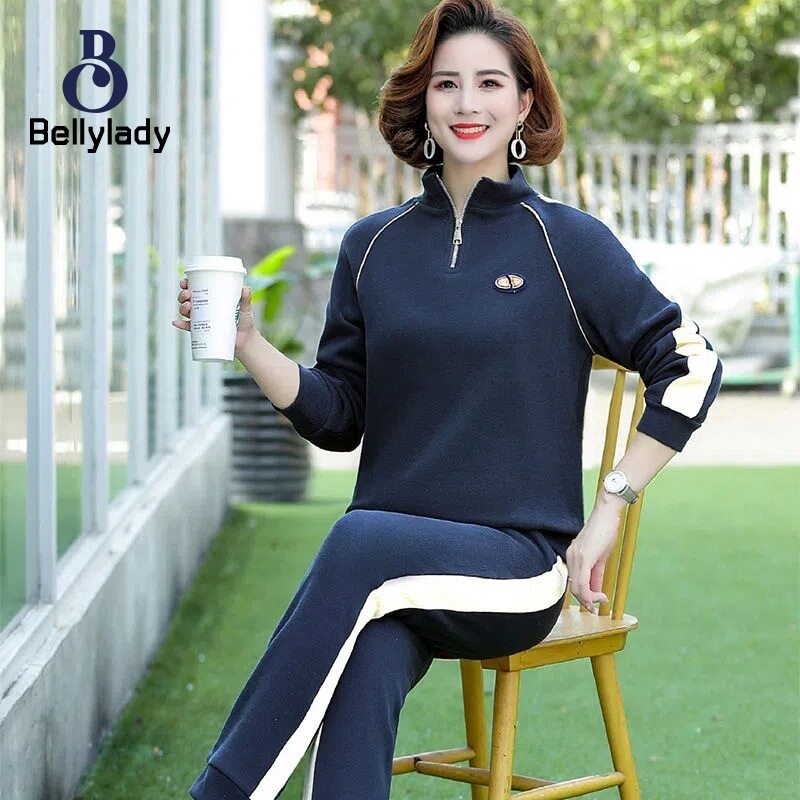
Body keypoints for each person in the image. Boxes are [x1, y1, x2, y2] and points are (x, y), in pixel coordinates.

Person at [174, 1, 723, 797]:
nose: (468, 103)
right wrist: (250, 345)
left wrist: (610, 503)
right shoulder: (371, 246)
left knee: (359, 543)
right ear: (424, 101)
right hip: (387, 574)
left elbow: (692, 364)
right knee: (363, 650)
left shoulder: (567, 243)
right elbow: (340, 415)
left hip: (516, 567)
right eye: (447, 84)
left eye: (490, 84)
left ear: (525, 103)